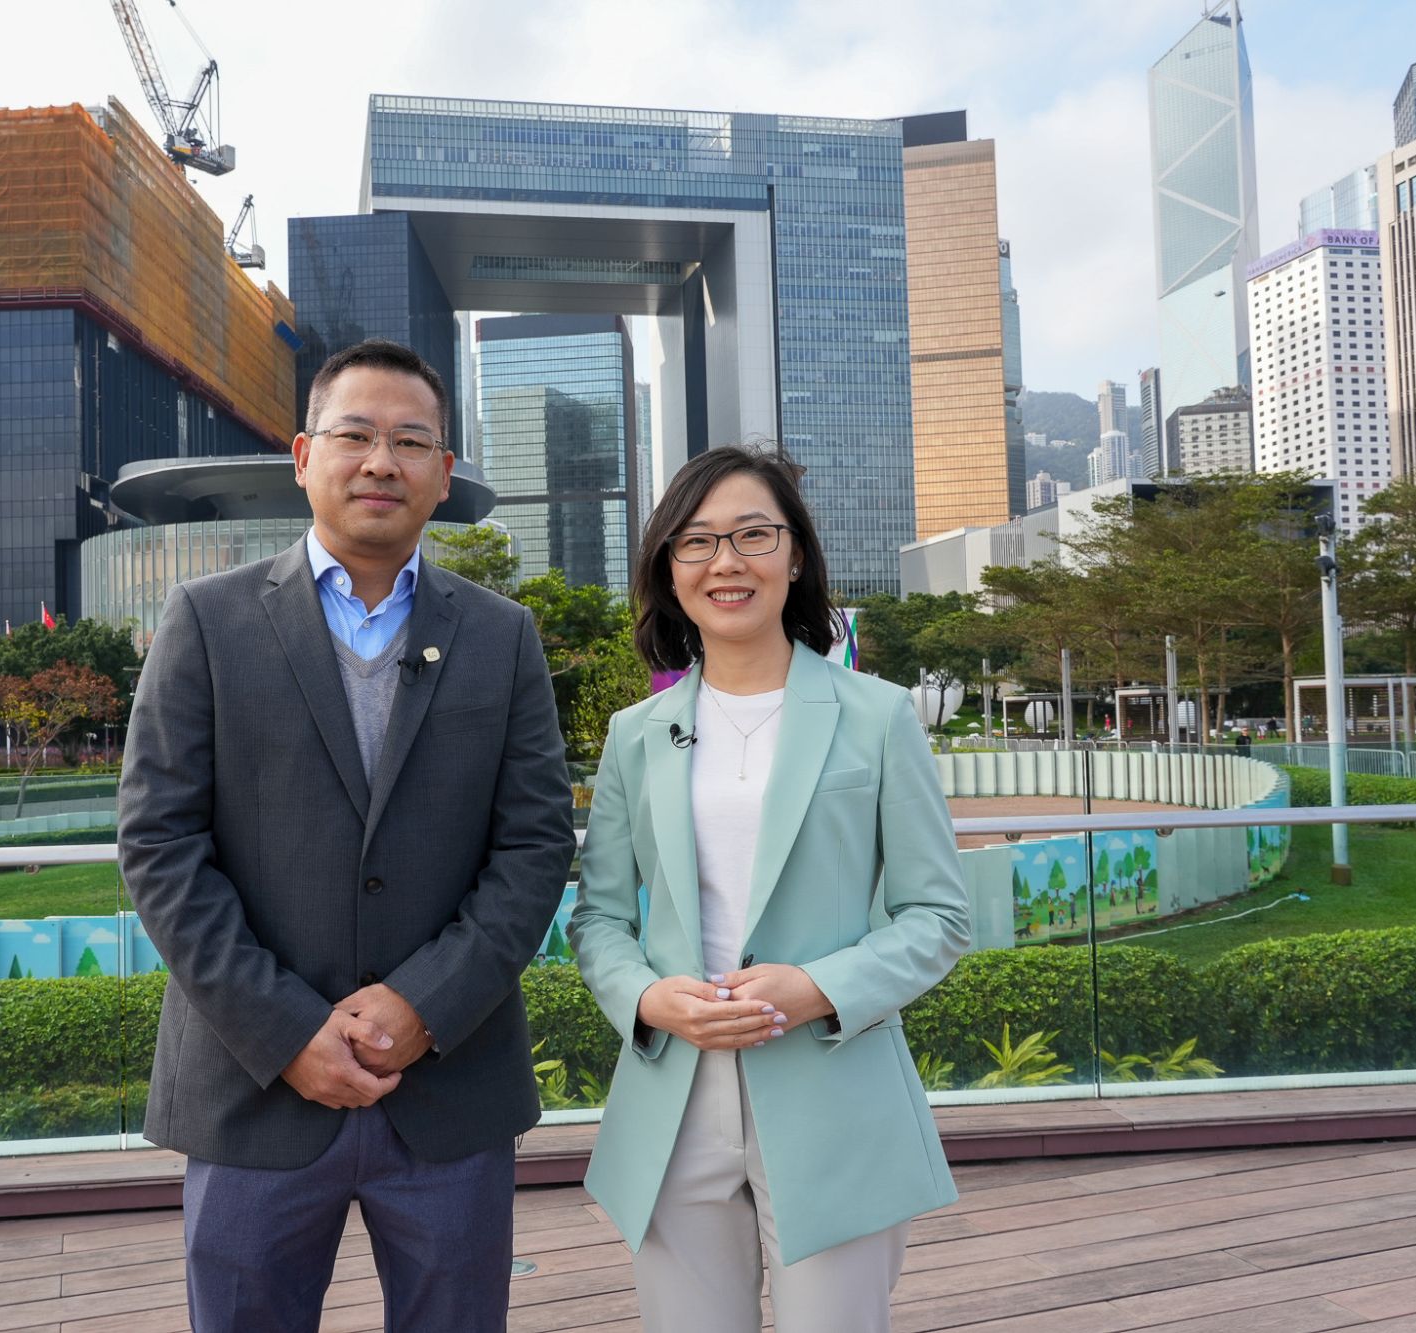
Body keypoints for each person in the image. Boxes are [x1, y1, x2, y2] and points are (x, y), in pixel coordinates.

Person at [118, 338, 575, 1333]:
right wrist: (287, 1031)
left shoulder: (501, 636)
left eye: (411, 441)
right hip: (253, 1091)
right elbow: (159, 846)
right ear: (301, 454)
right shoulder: (206, 620)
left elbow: (535, 846)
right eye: (355, 434)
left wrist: (423, 1005)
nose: (381, 461)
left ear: (442, 473)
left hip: (446, 1088)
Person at [569, 445, 973, 1332]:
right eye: (697, 541)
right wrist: (646, 996)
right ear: (668, 569)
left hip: (831, 1087)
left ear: (795, 557)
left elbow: (939, 916)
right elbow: (597, 917)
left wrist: (818, 986)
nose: (727, 561)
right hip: (675, 1097)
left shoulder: (877, 715)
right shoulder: (636, 734)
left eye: (754, 534)